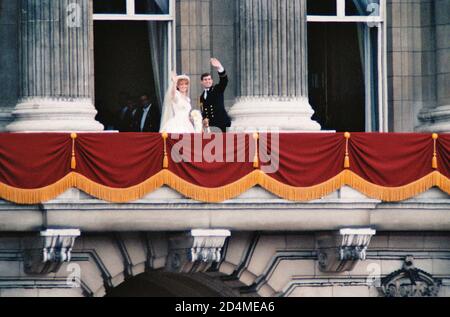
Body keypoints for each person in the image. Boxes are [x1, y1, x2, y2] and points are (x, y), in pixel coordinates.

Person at [199, 58, 231, 133]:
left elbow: (224, 81)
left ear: (212, 81)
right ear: (202, 82)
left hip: (221, 123)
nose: (208, 81)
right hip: (211, 126)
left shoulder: (217, 89)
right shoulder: (201, 96)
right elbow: (203, 111)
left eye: (209, 79)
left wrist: (219, 68)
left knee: (224, 144)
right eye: (205, 79)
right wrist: (204, 119)